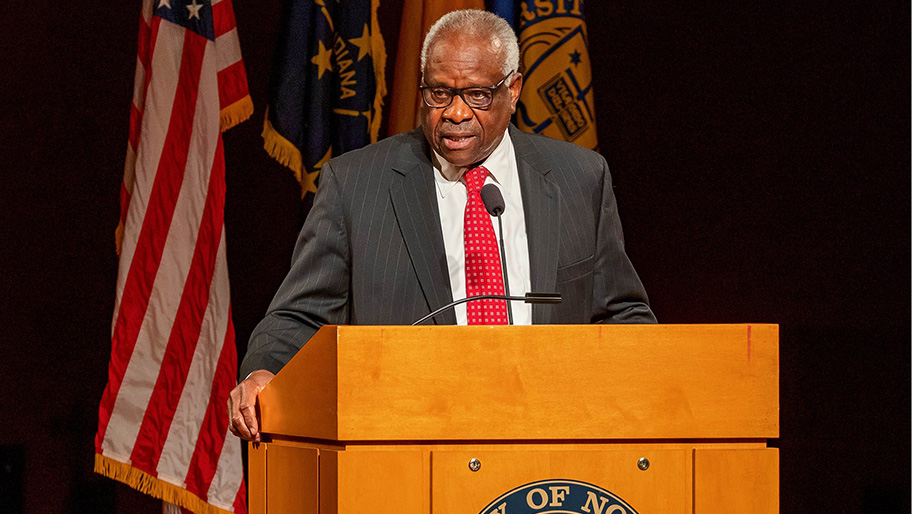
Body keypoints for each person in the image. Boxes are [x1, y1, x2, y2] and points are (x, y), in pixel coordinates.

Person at [228, 9, 655, 441]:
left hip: (549, 434)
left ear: (513, 90)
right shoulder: (356, 185)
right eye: (438, 93)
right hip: (409, 439)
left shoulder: (579, 178)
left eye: (477, 95)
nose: (454, 113)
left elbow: (623, 313)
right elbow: (299, 315)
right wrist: (264, 369)